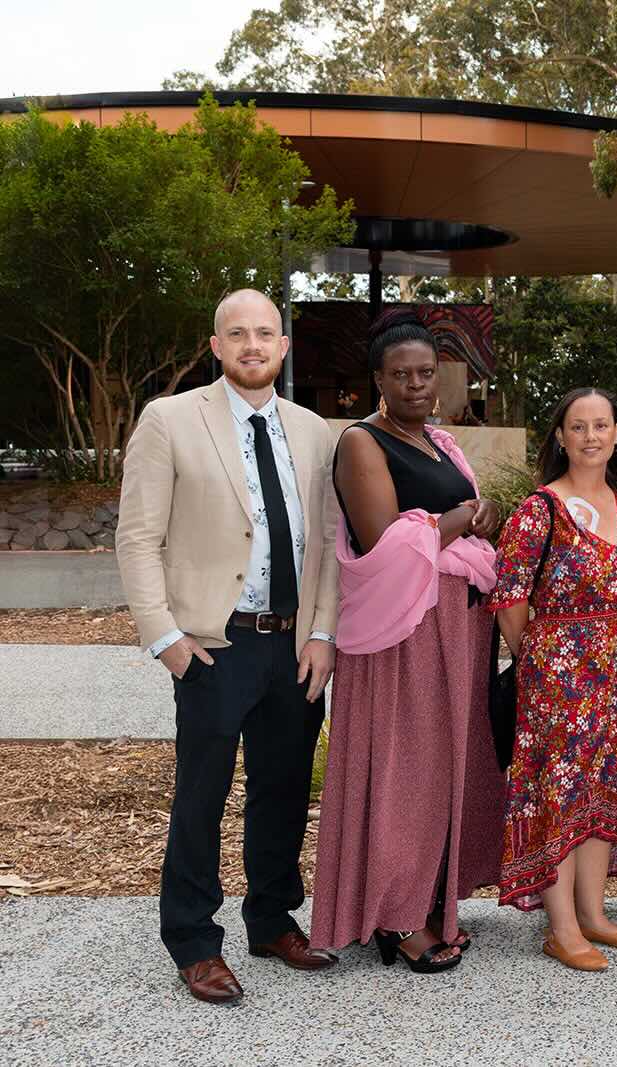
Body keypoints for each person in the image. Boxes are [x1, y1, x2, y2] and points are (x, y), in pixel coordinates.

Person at [116, 289, 341, 1005]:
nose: (252, 345)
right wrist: (166, 638)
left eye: (264, 333)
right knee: (202, 795)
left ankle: (271, 920)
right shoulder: (170, 419)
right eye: (237, 333)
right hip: (212, 643)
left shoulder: (314, 431)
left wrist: (322, 632)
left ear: (283, 346)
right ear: (216, 346)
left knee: (281, 789)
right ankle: (193, 940)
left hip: (292, 646)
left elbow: (329, 546)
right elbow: (137, 536)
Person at [309, 313, 503, 973]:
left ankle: (432, 903)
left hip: (458, 631)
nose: (417, 385)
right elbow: (384, 542)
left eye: (426, 372)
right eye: (402, 375)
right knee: (405, 774)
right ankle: (395, 918)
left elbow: (463, 524)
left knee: (446, 771)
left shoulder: (444, 444)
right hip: (404, 636)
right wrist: (454, 519)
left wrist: (481, 518)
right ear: (378, 381)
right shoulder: (363, 442)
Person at [491, 388, 617, 973]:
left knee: (605, 786)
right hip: (557, 675)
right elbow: (508, 596)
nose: (591, 436)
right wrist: (536, 661)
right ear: (560, 437)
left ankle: (594, 914)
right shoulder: (541, 509)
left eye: (602, 425)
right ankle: (560, 927)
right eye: (578, 426)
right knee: (559, 794)